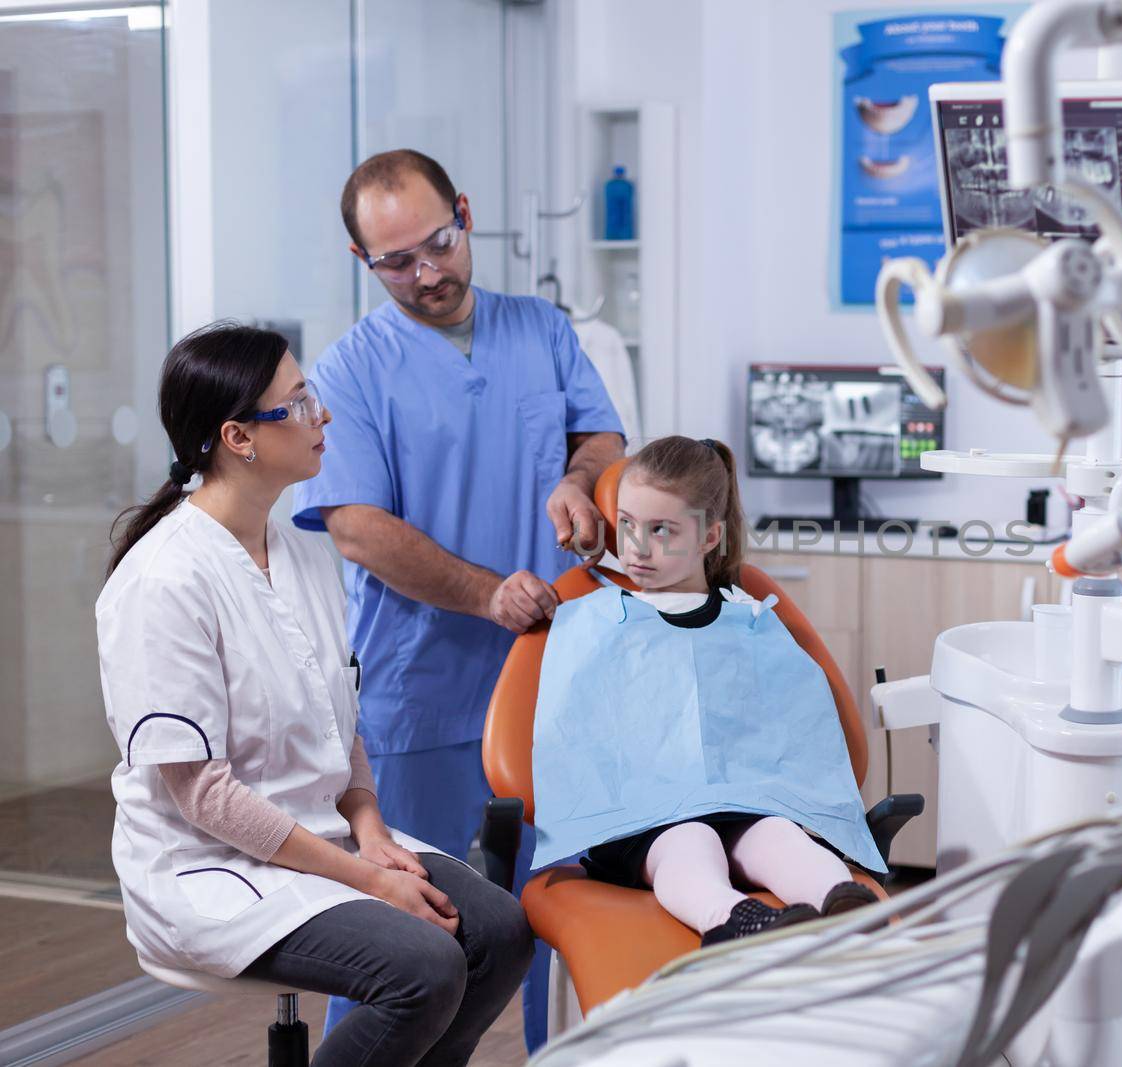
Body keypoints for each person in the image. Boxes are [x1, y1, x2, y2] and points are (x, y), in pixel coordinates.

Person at [99, 323, 534, 1067]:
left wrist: (370, 829)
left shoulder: (302, 554)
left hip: (323, 839)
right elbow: (202, 794)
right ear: (238, 436)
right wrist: (365, 877)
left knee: (499, 930)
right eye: (297, 402)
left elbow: (344, 720)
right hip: (211, 866)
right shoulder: (164, 579)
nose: (321, 414)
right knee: (423, 968)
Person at [291, 150, 625, 1046]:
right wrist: (486, 594)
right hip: (424, 692)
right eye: (395, 261)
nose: (426, 273)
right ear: (363, 260)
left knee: (557, 915)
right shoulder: (350, 370)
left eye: (438, 244)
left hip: (553, 683)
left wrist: (578, 479)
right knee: (404, 931)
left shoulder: (542, 329)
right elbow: (356, 524)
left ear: (465, 214)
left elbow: (600, 433)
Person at [530, 436, 884, 945]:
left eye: (662, 531)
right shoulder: (597, 619)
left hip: (742, 802)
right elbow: (576, 736)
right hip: (644, 820)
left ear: (708, 536)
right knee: (690, 842)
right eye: (627, 525)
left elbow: (794, 731)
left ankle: (844, 905)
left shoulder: (751, 621)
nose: (638, 547)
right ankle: (730, 918)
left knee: (777, 836)